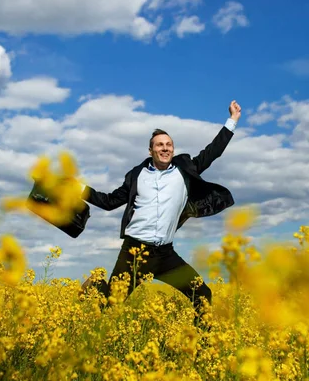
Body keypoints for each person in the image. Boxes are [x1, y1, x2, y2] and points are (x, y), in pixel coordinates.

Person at [80, 100, 242, 325]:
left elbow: (213, 152)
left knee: (202, 295)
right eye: (159, 145)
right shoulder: (136, 176)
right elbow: (108, 202)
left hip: (165, 255)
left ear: (173, 149)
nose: (165, 148)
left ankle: (202, 351)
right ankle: (96, 285)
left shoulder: (185, 170)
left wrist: (232, 120)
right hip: (134, 253)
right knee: (111, 307)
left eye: (168, 144)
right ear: (151, 150)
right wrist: (79, 190)